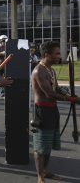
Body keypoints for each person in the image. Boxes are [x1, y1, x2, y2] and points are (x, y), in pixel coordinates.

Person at [31, 41, 80, 183]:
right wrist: (70, 99)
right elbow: (49, 93)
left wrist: (69, 93)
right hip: (42, 111)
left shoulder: (50, 70)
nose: (59, 56)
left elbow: (56, 88)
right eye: (57, 54)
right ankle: (40, 176)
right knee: (41, 146)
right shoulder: (38, 71)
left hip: (52, 110)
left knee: (48, 144)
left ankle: (45, 171)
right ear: (47, 55)